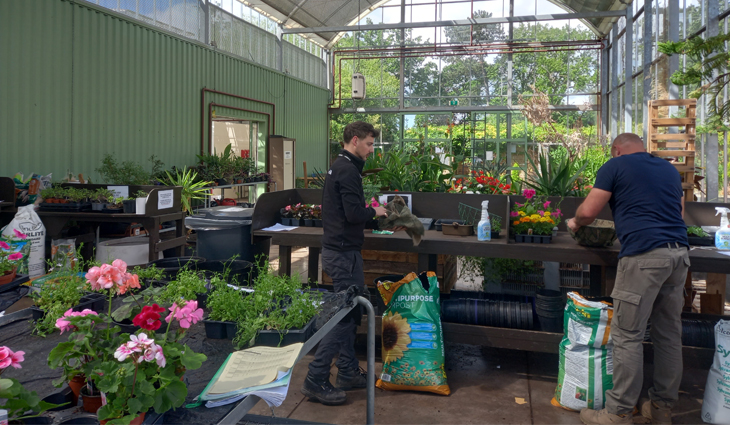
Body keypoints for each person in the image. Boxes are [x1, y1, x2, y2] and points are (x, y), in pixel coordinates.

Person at [567, 133, 689, 425]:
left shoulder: (615, 166)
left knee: (627, 336)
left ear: (616, 150)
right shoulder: (669, 170)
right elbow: (680, 213)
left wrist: (574, 222)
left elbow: (589, 211)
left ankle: (618, 413)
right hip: (678, 256)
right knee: (669, 335)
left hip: (643, 257)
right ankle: (661, 409)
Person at [301, 121, 388, 406]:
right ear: (354, 140)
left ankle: (348, 371)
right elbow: (353, 214)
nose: (371, 150)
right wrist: (375, 211)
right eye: (369, 144)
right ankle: (316, 377)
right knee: (342, 316)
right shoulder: (347, 170)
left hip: (342, 250)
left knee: (351, 314)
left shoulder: (340, 166)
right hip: (342, 252)